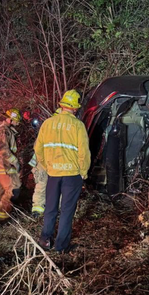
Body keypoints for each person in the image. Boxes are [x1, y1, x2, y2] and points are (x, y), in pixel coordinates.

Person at [35, 90, 90, 252]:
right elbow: (84, 152)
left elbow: (38, 149)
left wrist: (47, 166)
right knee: (67, 211)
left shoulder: (47, 124)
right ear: (75, 108)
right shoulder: (78, 126)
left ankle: (45, 240)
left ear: (62, 105)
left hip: (53, 174)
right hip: (72, 175)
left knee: (50, 208)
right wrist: (84, 172)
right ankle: (61, 246)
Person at [0, 108, 22, 222]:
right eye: (17, 120)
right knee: (12, 189)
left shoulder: (4, 129)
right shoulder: (3, 130)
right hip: (2, 166)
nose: (18, 123)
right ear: (11, 119)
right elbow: (3, 149)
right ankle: (2, 218)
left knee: (1, 191)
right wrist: (15, 162)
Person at [29, 108, 61, 218]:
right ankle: (39, 211)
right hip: (47, 164)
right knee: (50, 186)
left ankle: (38, 211)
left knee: (43, 186)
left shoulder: (47, 128)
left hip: (43, 163)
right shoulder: (61, 131)